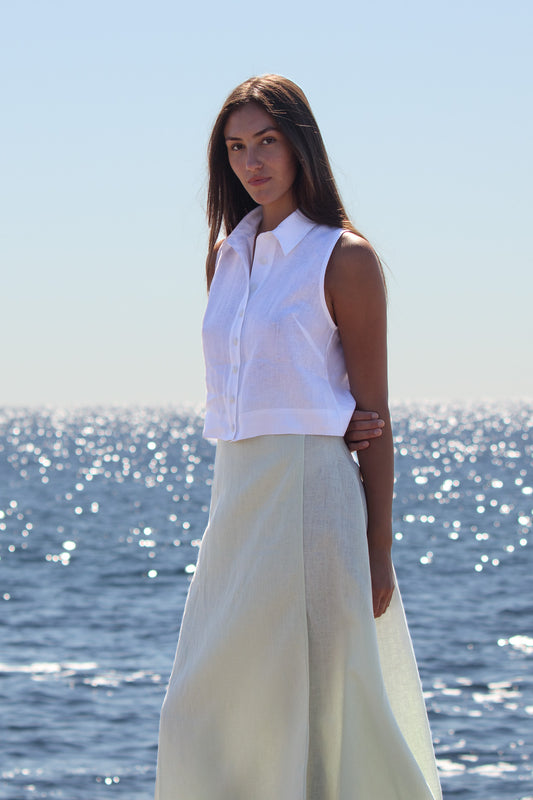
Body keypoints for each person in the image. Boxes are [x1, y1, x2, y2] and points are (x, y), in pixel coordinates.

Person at [154, 75, 442, 800]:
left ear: (300, 145)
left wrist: (377, 550)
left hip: (312, 500)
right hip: (237, 502)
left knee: (314, 709)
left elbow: (373, 418)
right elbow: (252, 389)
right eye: (236, 147)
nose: (252, 162)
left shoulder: (344, 258)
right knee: (200, 705)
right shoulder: (224, 258)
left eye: (267, 142)